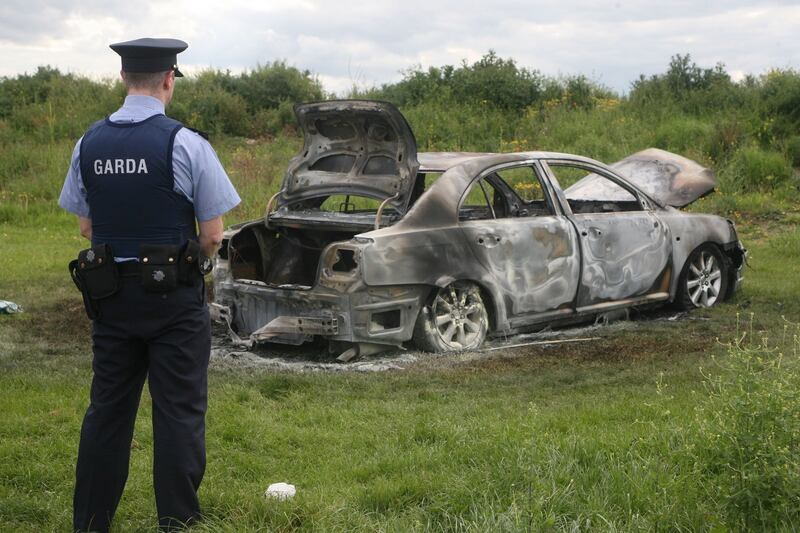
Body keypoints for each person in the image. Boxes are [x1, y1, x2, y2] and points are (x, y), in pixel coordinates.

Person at [58, 38, 240, 532]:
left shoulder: (88, 143)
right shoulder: (187, 143)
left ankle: (91, 522)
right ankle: (177, 523)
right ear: (168, 79)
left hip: (110, 298)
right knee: (178, 413)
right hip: (173, 301)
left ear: (123, 78)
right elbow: (212, 234)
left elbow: (86, 227)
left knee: (107, 412)